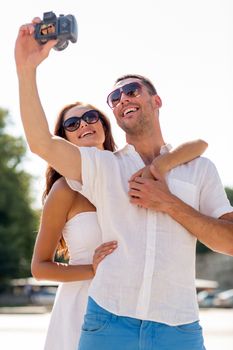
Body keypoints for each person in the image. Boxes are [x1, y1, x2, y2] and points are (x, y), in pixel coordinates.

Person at [15, 19, 233, 350]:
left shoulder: (199, 169)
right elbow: (42, 144)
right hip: (107, 323)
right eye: (113, 97)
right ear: (114, 113)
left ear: (156, 101)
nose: (121, 99)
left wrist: (169, 202)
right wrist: (26, 69)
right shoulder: (103, 167)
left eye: (131, 90)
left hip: (179, 327)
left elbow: (229, 242)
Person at [31, 101, 207, 350]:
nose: (83, 124)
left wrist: (160, 166)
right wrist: (93, 269)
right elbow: (39, 268)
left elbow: (199, 144)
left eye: (90, 117)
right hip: (82, 304)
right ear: (64, 139)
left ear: (104, 125)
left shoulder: (127, 172)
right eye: (72, 124)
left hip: (135, 306)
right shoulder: (64, 190)